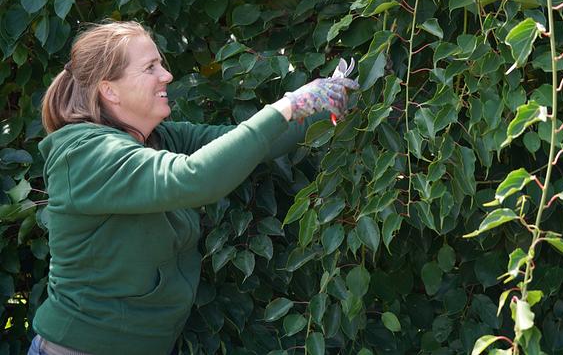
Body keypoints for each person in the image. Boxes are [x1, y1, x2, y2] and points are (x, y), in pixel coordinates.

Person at [28, 20, 358, 355]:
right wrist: (289, 104)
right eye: (150, 68)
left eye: (161, 64)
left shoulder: (159, 138)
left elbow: (254, 144)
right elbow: (194, 178)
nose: (167, 75)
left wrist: (336, 100)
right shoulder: (85, 154)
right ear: (109, 89)